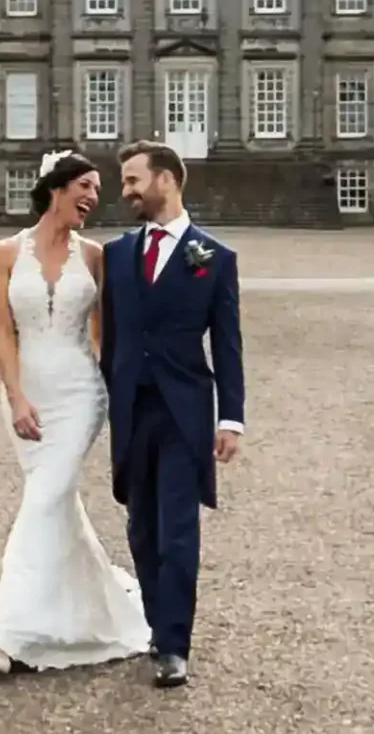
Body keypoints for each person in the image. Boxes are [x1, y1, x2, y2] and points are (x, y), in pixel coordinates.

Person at [0, 150, 151, 676]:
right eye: (86, 187)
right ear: (56, 188)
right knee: (51, 503)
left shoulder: (95, 255)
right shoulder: (4, 253)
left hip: (80, 394)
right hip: (28, 391)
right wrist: (15, 397)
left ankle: (6, 634)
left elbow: (105, 334)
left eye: (98, 191)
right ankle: (85, 608)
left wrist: (122, 391)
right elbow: (3, 331)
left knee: (46, 497)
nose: (94, 199)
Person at [98, 141, 245, 688]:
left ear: (167, 180)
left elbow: (228, 344)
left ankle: (176, 646)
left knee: (177, 532)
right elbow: (110, 339)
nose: (127, 191)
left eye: (134, 180)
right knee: (141, 528)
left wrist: (232, 418)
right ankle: (158, 626)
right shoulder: (116, 254)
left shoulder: (214, 258)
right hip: (133, 410)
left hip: (185, 410)